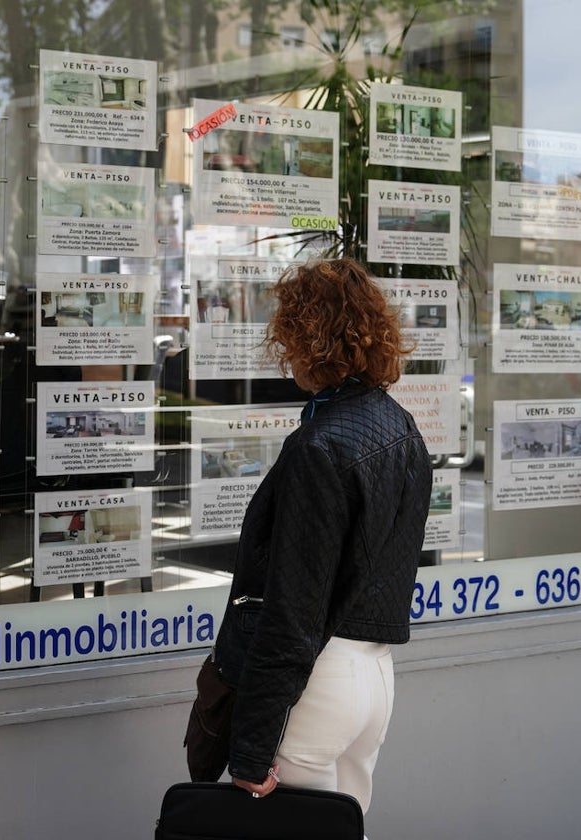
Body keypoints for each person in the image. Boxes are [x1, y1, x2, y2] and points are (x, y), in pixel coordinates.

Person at [211, 257, 433, 815]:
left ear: (305, 340)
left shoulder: (321, 445)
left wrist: (252, 748)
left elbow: (294, 610)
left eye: (287, 337)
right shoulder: (399, 425)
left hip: (320, 681)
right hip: (374, 676)